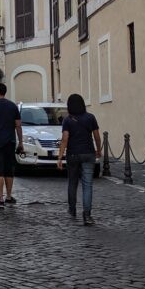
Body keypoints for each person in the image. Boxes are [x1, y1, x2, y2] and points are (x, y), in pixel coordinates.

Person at [57, 93, 101, 226]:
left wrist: (60, 157)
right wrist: (98, 149)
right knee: (88, 185)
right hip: (88, 153)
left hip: (73, 155)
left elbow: (65, 139)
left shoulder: (67, 120)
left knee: (72, 182)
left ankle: (72, 209)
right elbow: (97, 136)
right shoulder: (90, 117)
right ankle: (87, 215)